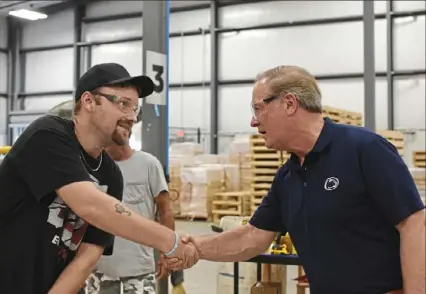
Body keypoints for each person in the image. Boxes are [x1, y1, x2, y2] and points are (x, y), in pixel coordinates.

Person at [169, 65, 426, 294]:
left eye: (258, 108)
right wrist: (195, 247)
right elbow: (253, 237)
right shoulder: (287, 175)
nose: (253, 121)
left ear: (289, 103)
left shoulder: (364, 149)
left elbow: (413, 223)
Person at [0, 62, 197, 294]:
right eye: (123, 104)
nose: (132, 117)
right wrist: (169, 241)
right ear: (88, 101)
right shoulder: (48, 135)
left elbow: (87, 258)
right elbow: (91, 206)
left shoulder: (111, 176)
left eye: (135, 109)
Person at [85, 130, 175, 294]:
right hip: (99, 269)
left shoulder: (148, 164)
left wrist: (167, 253)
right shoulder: (92, 168)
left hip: (138, 270)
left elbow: (166, 211)